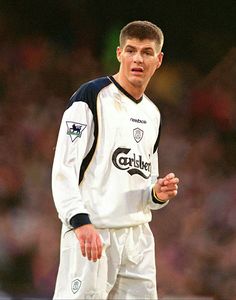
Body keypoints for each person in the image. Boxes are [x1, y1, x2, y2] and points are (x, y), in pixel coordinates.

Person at [52, 20, 179, 299]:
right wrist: (79, 221)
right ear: (119, 54)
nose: (138, 58)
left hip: (138, 239)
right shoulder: (91, 97)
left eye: (147, 52)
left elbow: (145, 181)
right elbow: (64, 169)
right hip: (94, 231)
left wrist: (157, 193)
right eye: (131, 50)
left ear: (158, 60)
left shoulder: (152, 114)